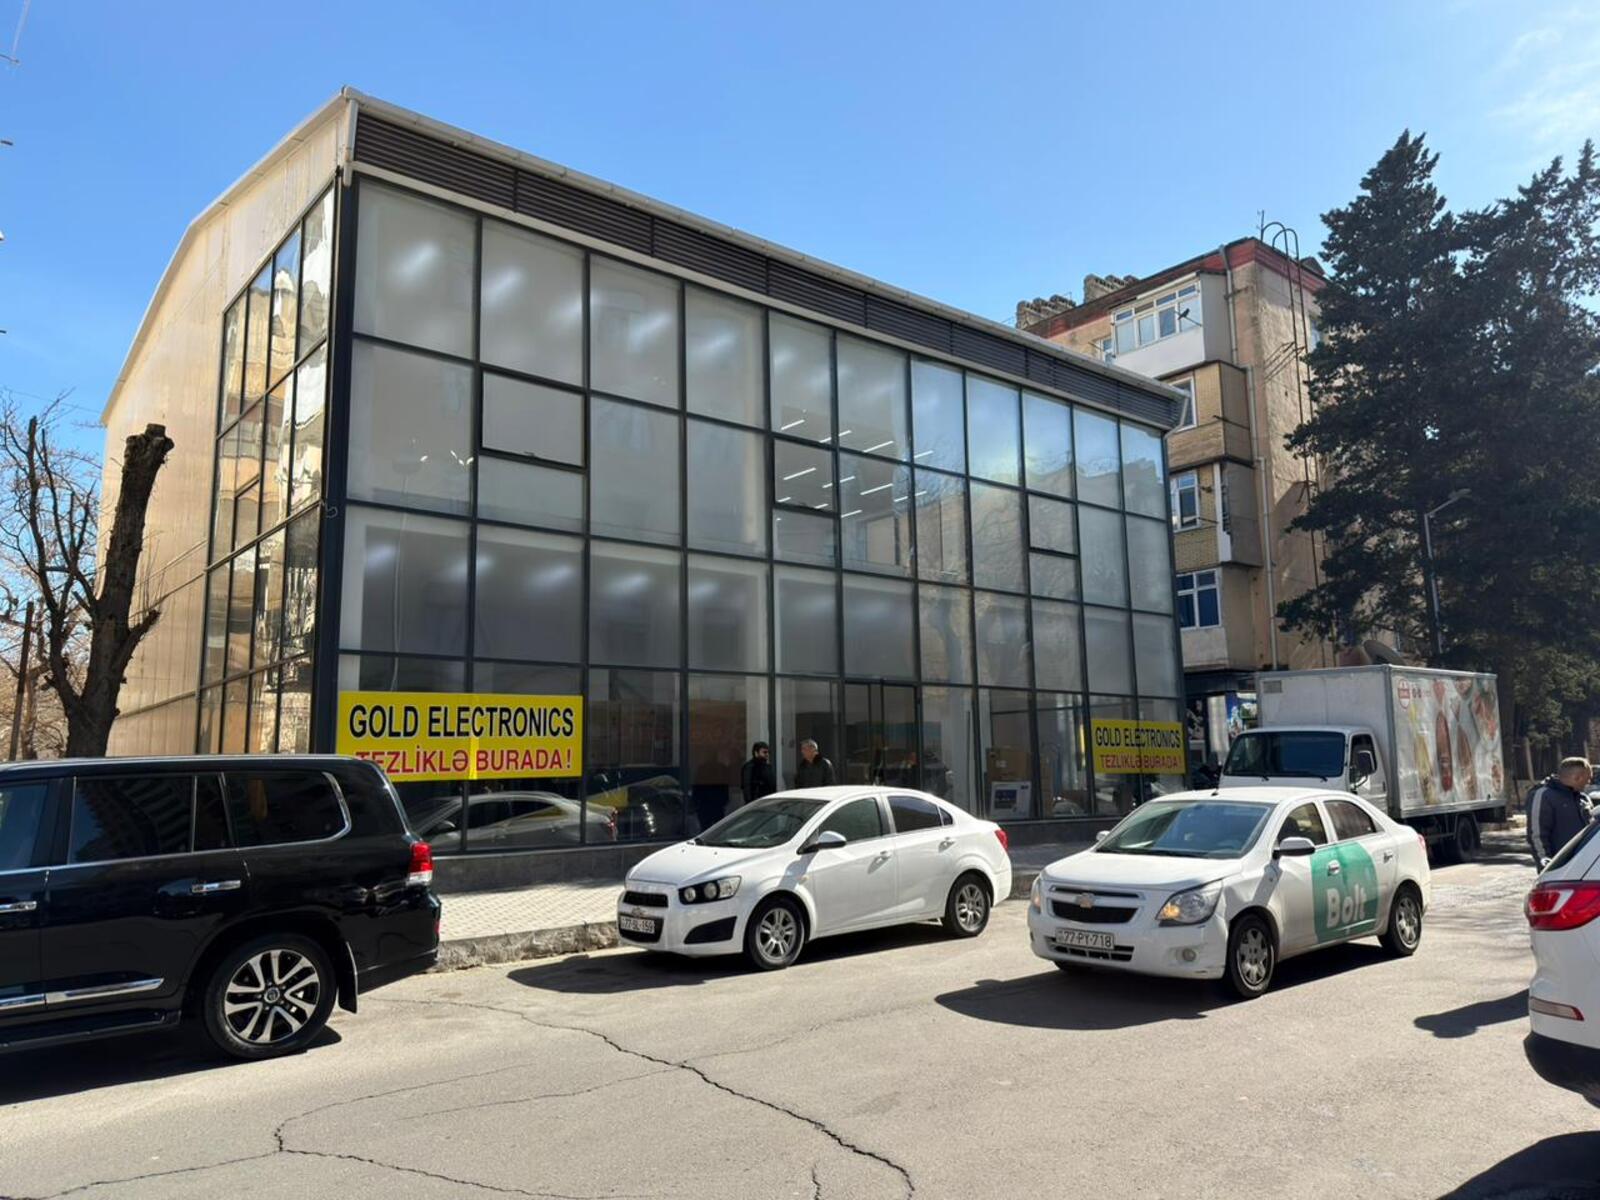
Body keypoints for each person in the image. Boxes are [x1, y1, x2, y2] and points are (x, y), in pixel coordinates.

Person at [1527, 757, 1595, 869]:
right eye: (1588, 778)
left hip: (1585, 865)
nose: (1589, 782)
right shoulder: (1544, 796)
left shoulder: (1583, 798)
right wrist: (1546, 865)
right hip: (1560, 868)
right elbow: (1537, 835)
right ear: (1577, 778)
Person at [740, 741, 777, 806]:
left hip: (768, 802)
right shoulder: (749, 767)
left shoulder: (768, 767)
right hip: (756, 803)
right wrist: (750, 804)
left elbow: (772, 785)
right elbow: (747, 787)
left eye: (768, 752)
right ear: (756, 753)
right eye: (764, 752)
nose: (767, 754)